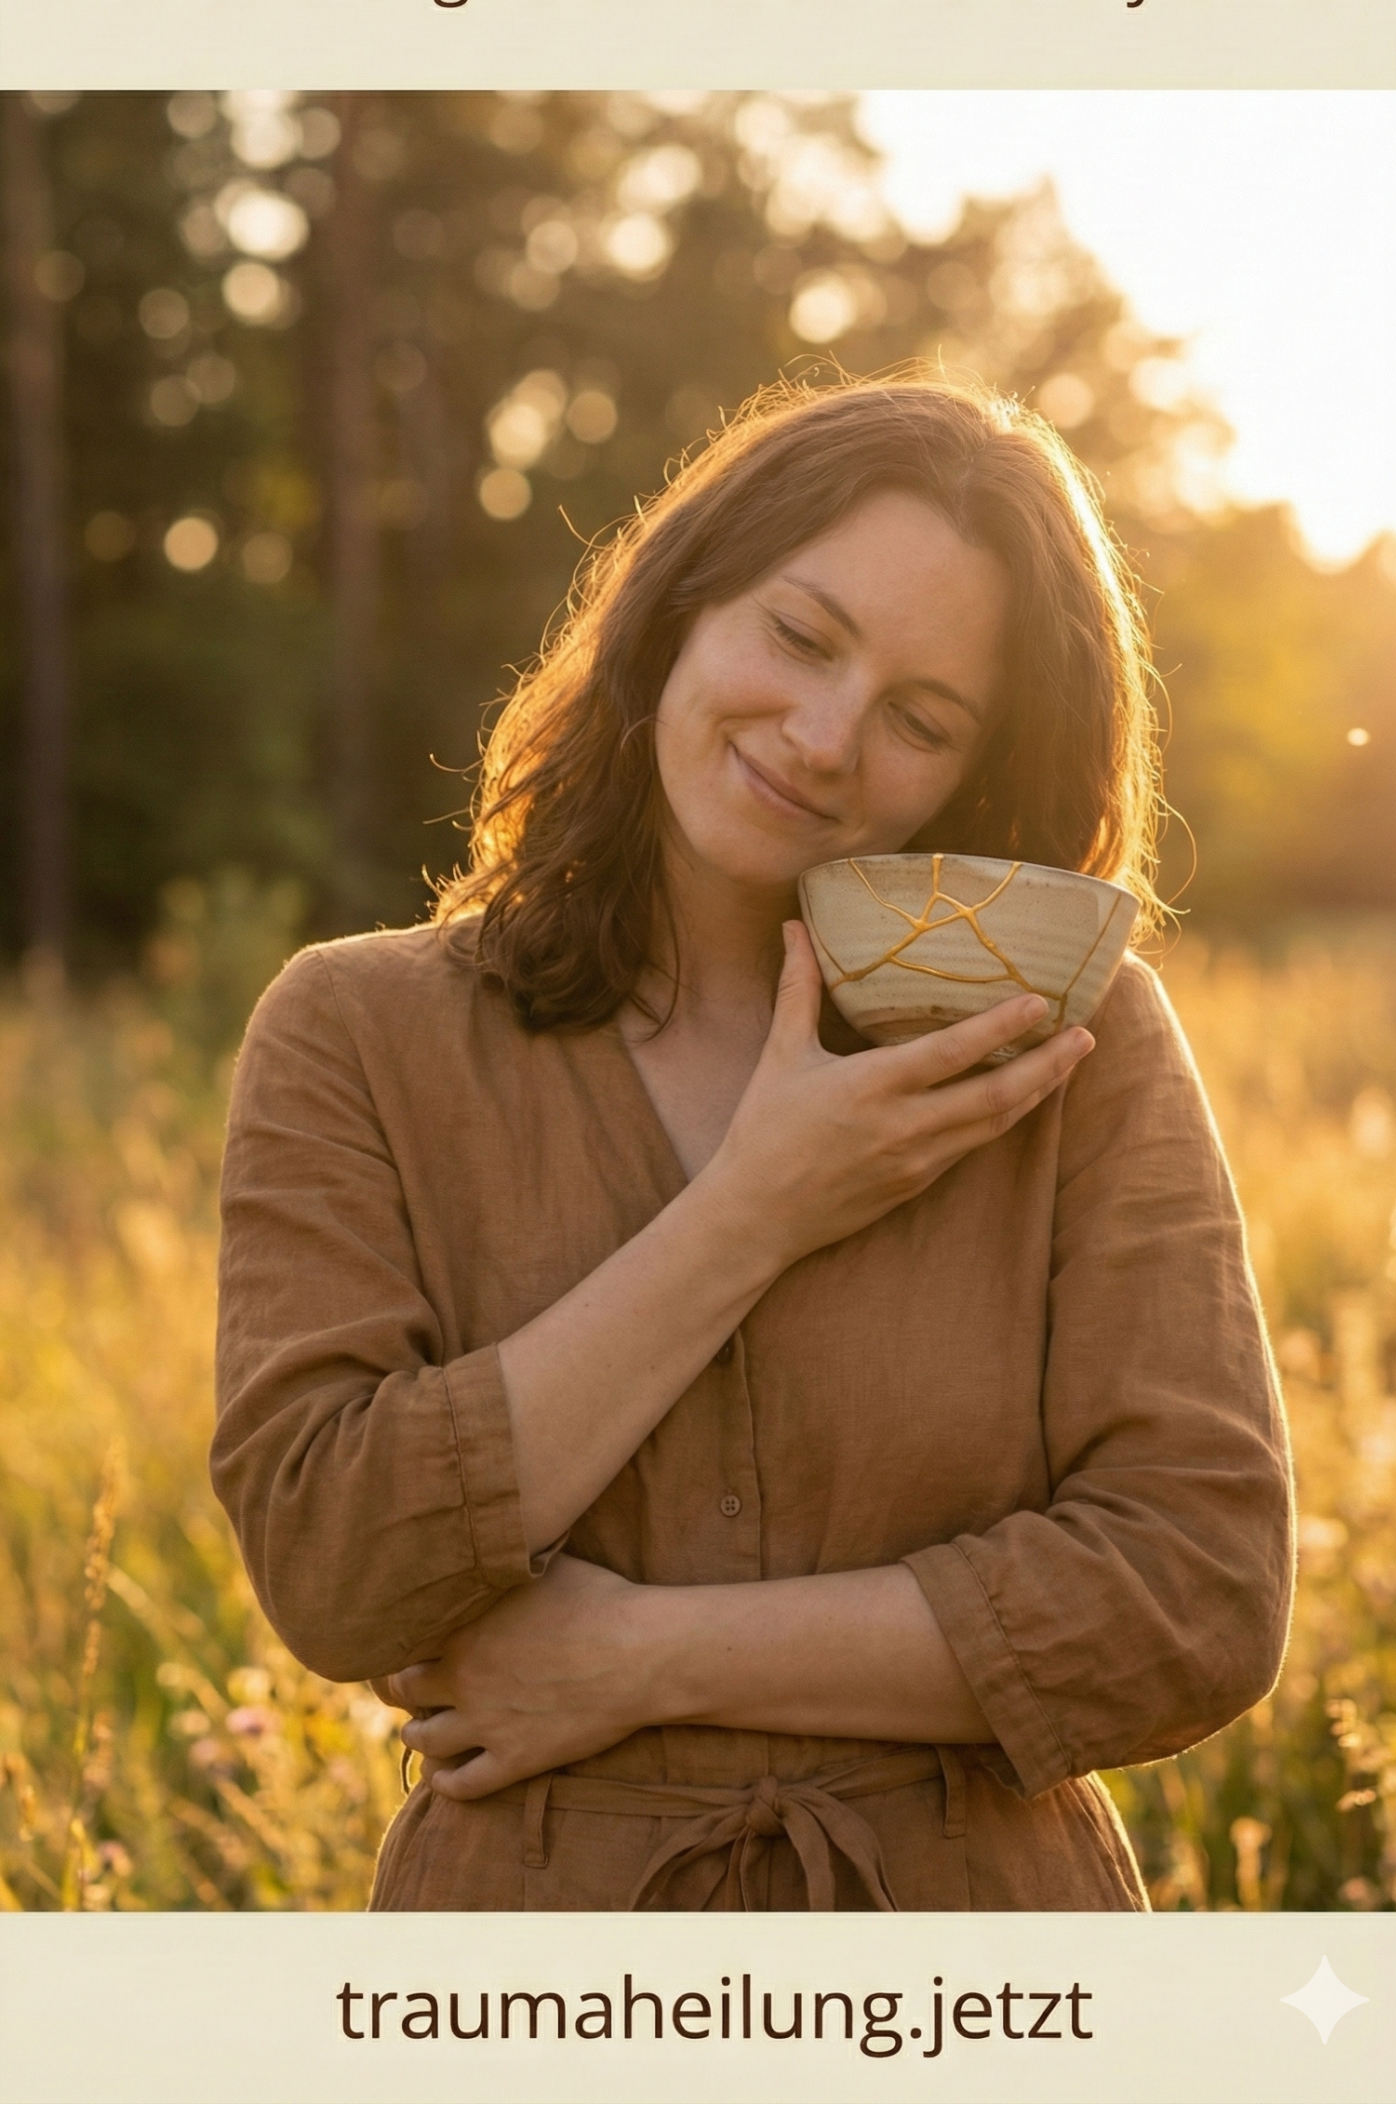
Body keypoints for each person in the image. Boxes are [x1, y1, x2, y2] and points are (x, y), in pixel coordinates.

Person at [212, 377, 1294, 1911]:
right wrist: (758, 1207)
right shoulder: (356, 1032)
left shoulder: (1072, 1046)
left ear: (976, 771)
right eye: (800, 636)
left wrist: (639, 1661)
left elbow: (1199, 1596)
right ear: (681, 603)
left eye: (921, 719)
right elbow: (335, 1566)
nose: (827, 738)